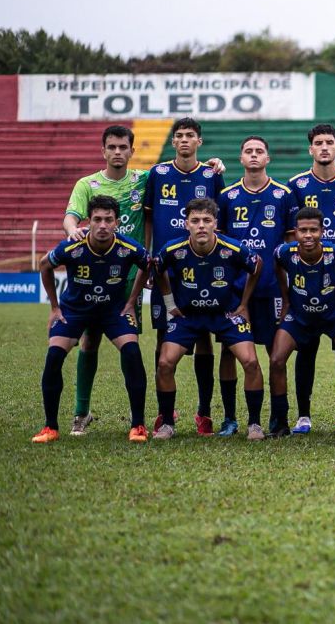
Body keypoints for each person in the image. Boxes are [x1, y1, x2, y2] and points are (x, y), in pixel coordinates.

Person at [62, 125, 223, 435]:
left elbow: (183, 169)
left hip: (130, 278)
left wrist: (214, 164)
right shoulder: (87, 184)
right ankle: (82, 411)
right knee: (90, 339)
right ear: (104, 150)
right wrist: (72, 230)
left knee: (130, 343)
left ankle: (141, 418)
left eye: (124, 147)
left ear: (132, 151)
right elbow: (71, 215)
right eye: (112, 147)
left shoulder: (145, 178)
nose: (118, 152)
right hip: (94, 274)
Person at [33, 195, 150, 443]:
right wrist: (54, 308)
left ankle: (138, 425)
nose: (103, 225)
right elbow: (44, 265)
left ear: (117, 222)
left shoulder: (127, 247)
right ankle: (50, 427)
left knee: (131, 352)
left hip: (113, 311)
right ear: (89, 221)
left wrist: (131, 302)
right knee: (54, 356)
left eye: (109, 220)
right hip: (75, 310)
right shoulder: (73, 245)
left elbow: (147, 264)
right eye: (97, 219)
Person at [153, 198, 265, 440]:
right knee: (164, 363)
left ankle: (254, 424)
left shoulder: (231, 249)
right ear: (186, 224)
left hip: (225, 314)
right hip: (189, 316)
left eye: (206, 220)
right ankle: (167, 423)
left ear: (216, 223)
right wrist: (170, 303)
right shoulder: (173, 250)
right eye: (195, 221)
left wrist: (244, 303)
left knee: (251, 362)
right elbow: (157, 269)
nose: (201, 226)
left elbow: (257, 266)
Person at [144, 118, 225, 435]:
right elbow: (148, 217)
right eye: (179, 136)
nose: (184, 140)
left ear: (199, 142)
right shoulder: (159, 173)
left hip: (202, 268)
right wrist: (151, 254)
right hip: (167, 268)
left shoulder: (211, 174)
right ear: (173, 142)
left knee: (203, 336)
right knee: (164, 338)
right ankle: (166, 413)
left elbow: (220, 222)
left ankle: (204, 412)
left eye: (190, 135)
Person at [216, 136, 298, 436]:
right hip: (236, 291)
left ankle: (279, 418)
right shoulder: (227, 196)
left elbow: (291, 245)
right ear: (240, 158)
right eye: (248, 151)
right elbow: (220, 245)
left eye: (259, 151)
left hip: (273, 290)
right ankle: (229, 418)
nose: (253, 155)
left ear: (268, 158)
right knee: (229, 351)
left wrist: (290, 288)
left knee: (276, 355)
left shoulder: (283, 195)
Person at [288, 123, 335, 434]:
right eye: (318, 143)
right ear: (310, 149)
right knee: (305, 348)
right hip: (305, 278)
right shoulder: (296, 185)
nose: (324, 147)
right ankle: (303, 415)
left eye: (329, 142)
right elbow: (291, 230)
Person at [271, 208, 335, 436]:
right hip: (300, 317)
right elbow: (276, 264)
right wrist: (285, 300)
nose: (308, 235)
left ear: (322, 231)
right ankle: (281, 423)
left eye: (313, 230)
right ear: (295, 233)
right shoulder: (285, 253)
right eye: (303, 230)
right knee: (276, 360)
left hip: (332, 315)